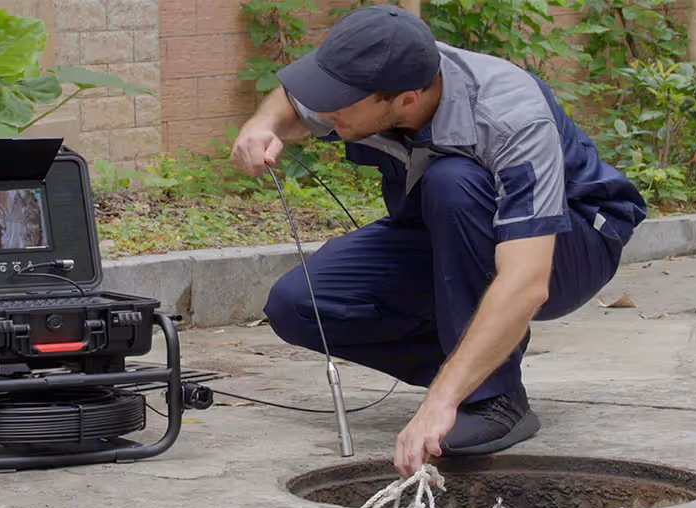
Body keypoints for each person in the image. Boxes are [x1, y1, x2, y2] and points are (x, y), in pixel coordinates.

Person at [229, 5, 647, 480]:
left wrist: (438, 402)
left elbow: (528, 280)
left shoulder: (509, 116)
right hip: (451, 232)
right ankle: (478, 357)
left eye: (340, 103)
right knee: (298, 305)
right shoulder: (378, 72)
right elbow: (292, 99)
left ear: (406, 99)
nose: (323, 112)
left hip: (571, 240)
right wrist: (260, 125)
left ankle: (493, 397)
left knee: (453, 181)